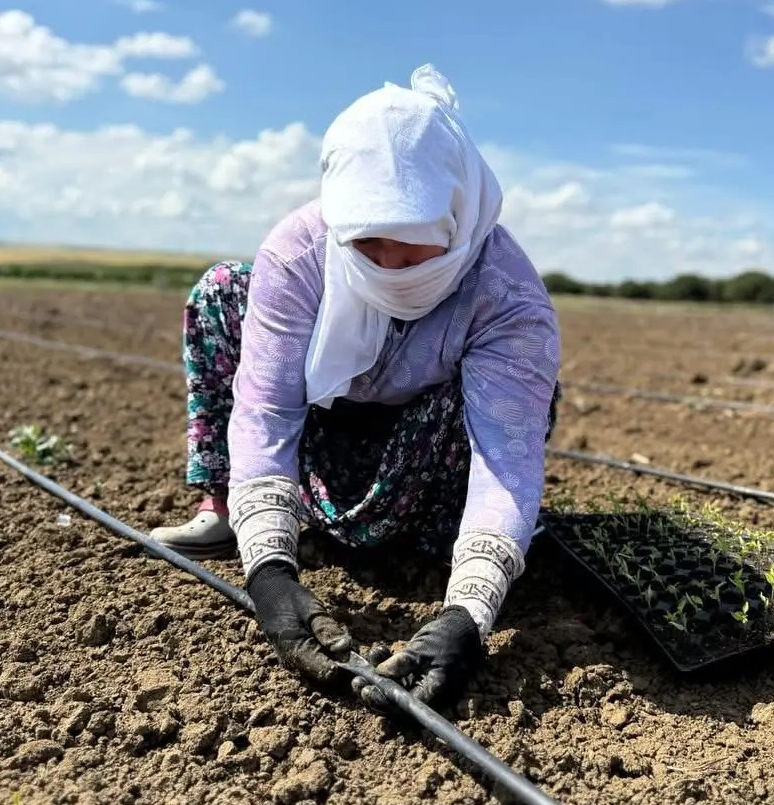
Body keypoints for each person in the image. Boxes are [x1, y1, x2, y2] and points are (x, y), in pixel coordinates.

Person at [150, 64, 562, 711]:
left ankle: (430, 550)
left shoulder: (505, 299)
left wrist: (470, 612)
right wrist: (269, 571)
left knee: (518, 414)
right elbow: (266, 406)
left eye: (415, 244)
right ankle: (230, 513)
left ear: (455, 215)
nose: (390, 267)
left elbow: (505, 462)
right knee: (224, 290)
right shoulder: (302, 253)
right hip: (320, 428)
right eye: (368, 244)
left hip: (417, 455)